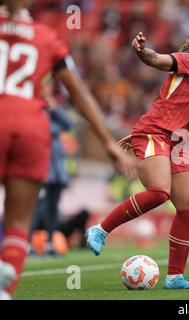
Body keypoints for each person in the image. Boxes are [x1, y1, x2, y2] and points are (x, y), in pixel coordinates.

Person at [0, 0, 135, 300]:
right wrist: (107, 142)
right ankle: (5, 291)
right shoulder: (46, 37)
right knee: (19, 221)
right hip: (31, 129)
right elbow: (79, 94)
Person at [85, 32, 189, 290]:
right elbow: (157, 59)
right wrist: (141, 51)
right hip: (156, 135)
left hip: (176, 144)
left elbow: (171, 108)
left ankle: (174, 277)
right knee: (159, 193)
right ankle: (100, 230)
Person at [29, 78, 73, 256]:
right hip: (41, 165)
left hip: (57, 168)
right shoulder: (34, 107)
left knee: (53, 207)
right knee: (37, 206)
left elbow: (68, 125)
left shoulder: (53, 110)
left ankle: (49, 242)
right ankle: (29, 243)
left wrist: (53, 106)